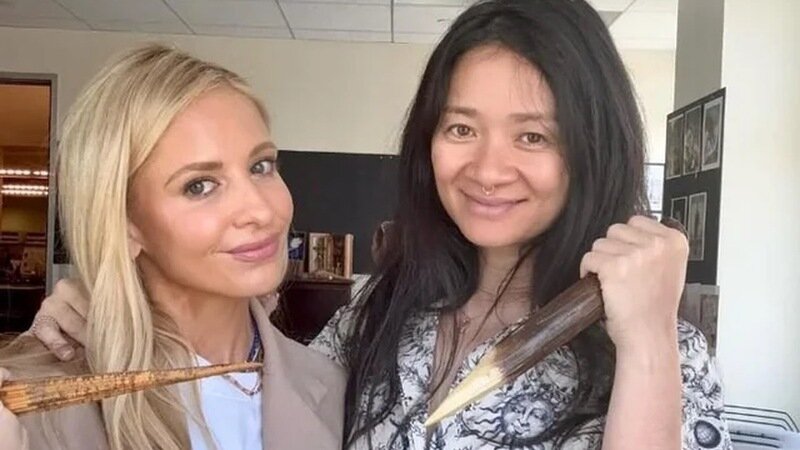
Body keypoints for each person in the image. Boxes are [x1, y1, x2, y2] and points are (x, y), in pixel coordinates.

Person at [29, 1, 731, 449]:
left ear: (590, 148)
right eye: (461, 128)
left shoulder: (661, 353)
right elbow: (263, 388)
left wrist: (647, 342)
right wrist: (113, 300)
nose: (488, 169)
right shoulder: (381, 313)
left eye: (532, 136)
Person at [0, 44, 345, 450]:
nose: (261, 210)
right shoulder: (35, 410)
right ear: (125, 225)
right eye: (199, 186)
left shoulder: (334, 387)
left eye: (261, 166)